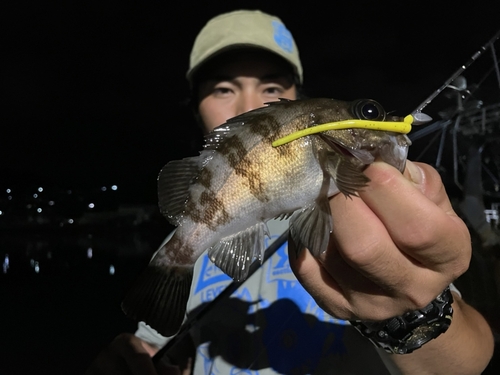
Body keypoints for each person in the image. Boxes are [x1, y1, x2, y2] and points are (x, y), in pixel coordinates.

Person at [85, 9, 495, 375]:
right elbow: (155, 335)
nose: (247, 103)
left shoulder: (369, 215)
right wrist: (132, 358)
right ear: (196, 108)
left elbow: (468, 360)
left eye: (271, 88)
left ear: (299, 98)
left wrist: (410, 313)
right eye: (223, 89)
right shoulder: (193, 235)